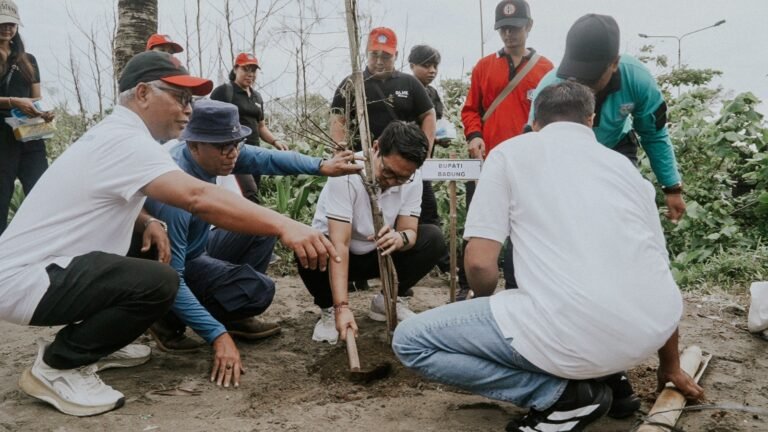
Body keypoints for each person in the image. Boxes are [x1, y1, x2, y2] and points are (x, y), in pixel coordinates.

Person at [0, 50, 339, 417]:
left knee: (154, 259)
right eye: (179, 97)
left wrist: (149, 222)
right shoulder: (127, 142)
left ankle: (101, 344)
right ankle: (58, 366)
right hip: (29, 282)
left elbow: (259, 160)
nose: (189, 108)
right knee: (160, 280)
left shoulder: (124, 136)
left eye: (191, 99)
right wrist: (286, 224)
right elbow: (197, 197)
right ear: (143, 93)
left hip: (47, 271)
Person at [393, 81, 704, 432]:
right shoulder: (624, 169)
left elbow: (480, 263)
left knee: (411, 341)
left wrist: (478, 302)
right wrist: (671, 367)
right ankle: (611, 381)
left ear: (535, 122)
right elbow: (657, 269)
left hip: (573, 337)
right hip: (646, 336)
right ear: (591, 121)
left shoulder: (511, 153)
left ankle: (562, 396)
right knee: (580, 295)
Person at [142, 99, 363, 362]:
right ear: (193, 145)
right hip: (164, 266)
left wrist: (320, 166)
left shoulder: (219, 153)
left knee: (260, 232)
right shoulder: (174, 190)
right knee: (252, 289)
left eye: (236, 145)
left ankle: (233, 314)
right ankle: (165, 318)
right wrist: (216, 335)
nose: (232, 154)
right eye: (224, 147)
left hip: (197, 249)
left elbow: (269, 158)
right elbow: (173, 275)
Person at [298, 121, 446, 345]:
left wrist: (400, 238)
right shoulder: (346, 172)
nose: (392, 182)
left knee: (432, 238)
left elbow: (410, 232)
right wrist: (342, 307)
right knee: (309, 245)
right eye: (388, 172)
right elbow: (340, 244)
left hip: (379, 254)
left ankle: (387, 301)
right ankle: (328, 309)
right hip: (335, 258)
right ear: (375, 148)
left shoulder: (413, 178)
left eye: (402, 178)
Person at [531, 13, 685, 223]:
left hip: (616, 146)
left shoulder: (637, 79)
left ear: (614, 63)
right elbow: (533, 144)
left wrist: (672, 188)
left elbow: (653, 134)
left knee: (624, 211)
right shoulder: (551, 86)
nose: (582, 86)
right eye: (577, 76)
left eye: (590, 76)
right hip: (565, 155)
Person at [330, 27, 437, 292]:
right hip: (367, 166)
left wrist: (425, 151)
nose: (379, 60)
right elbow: (337, 118)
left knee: (424, 222)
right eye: (375, 54)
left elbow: (429, 115)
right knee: (358, 219)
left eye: (386, 56)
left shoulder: (408, 83)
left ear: (396, 55)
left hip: (406, 163)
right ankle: (356, 274)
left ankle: (399, 281)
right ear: (367, 53)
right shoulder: (351, 83)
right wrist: (340, 149)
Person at [458, 0, 553, 295]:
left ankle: (516, 287)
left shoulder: (547, 70)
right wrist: (474, 135)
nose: (509, 34)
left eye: (515, 28)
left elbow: (550, 117)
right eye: (503, 29)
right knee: (479, 224)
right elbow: (470, 109)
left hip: (529, 165)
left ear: (529, 26)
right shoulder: (484, 66)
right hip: (488, 162)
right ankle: (468, 286)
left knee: (524, 229)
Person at [0, 0, 55, 235]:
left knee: (42, 190)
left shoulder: (27, 59)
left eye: (12, 24)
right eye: (3, 22)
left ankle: (41, 244)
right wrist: (13, 101)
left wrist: (43, 112)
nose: (7, 28)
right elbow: (21, 100)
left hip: (28, 130)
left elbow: (36, 98)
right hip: (2, 134)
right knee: (2, 194)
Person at [407, 44, 449, 273]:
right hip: (406, 164)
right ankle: (446, 265)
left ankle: (444, 265)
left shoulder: (432, 94)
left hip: (424, 166)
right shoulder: (403, 88)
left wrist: (440, 138)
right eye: (426, 65)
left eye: (435, 66)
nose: (432, 70)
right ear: (412, 65)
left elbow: (436, 125)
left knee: (429, 213)